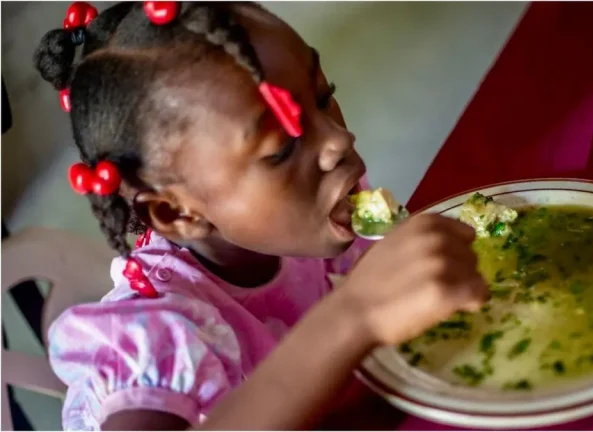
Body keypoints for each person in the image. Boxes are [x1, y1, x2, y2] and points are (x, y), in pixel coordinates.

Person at [33, 2, 487, 430]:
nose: (337, 141)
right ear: (176, 211)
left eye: (324, 96)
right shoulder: (159, 338)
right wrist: (353, 315)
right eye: (282, 148)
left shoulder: (311, 216)